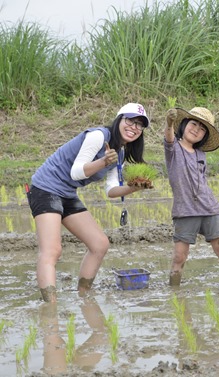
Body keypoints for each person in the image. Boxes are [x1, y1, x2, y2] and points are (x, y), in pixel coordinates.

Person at [27, 103, 151, 302]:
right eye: (130, 121)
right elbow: (76, 172)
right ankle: (50, 308)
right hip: (45, 188)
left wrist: (135, 187)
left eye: (139, 125)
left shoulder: (118, 153)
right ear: (119, 119)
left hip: (66, 192)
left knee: (99, 244)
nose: (134, 127)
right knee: (52, 250)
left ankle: (83, 296)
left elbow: (111, 191)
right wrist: (103, 161)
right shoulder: (99, 137)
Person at [164, 106, 219, 287]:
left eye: (202, 128)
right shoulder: (173, 148)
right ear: (184, 125)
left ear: (204, 136)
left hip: (208, 208)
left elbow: (202, 180)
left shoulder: (201, 154)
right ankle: (175, 294)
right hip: (185, 210)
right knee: (179, 256)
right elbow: (168, 137)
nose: (196, 129)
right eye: (194, 123)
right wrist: (169, 123)